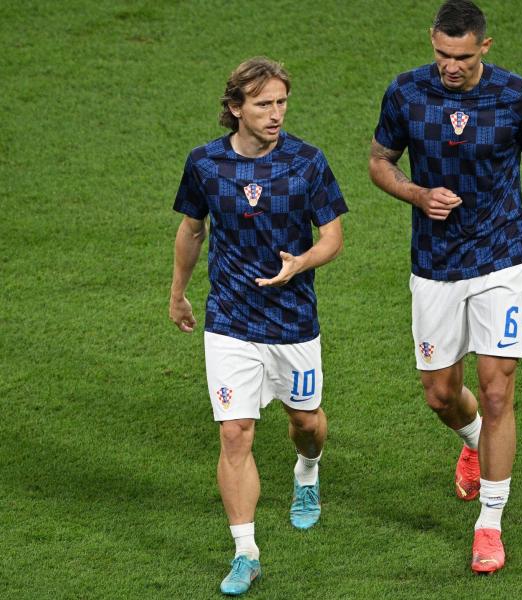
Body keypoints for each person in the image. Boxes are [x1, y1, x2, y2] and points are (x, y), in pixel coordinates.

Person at [368, 0, 522, 575]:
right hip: (434, 264)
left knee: (500, 389)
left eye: (460, 56)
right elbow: (380, 162)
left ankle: (490, 524)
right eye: (440, 54)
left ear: (484, 46)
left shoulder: (518, 96)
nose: (449, 67)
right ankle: (473, 440)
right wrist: (416, 194)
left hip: (500, 258)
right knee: (439, 392)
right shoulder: (407, 93)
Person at [168, 57, 347, 596]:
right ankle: (245, 551)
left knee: (307, 423)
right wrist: (177, 293)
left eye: (281, 102)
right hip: (230, 320)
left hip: (293, 322)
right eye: (264, 104)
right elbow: (192, 231)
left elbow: (333, 235)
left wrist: (302, 263)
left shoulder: (307, 162)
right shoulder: (204, 165)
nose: (276, 114)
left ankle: (307, 472)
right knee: (234, 432)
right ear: (235, 109)